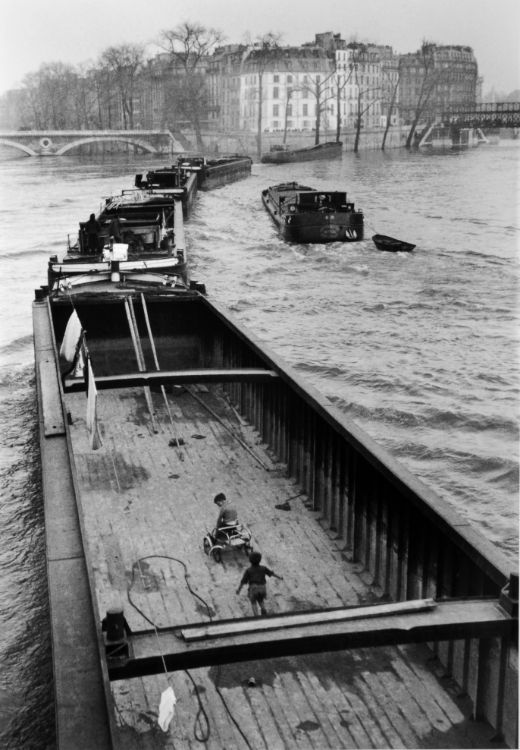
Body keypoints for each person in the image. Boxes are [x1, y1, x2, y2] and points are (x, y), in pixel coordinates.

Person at [236, 551, 283, 616]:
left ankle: (256, 616)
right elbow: (272, 574)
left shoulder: (248, 570)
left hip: (253, 588)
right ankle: (263, 608)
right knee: (260, 599)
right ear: (260, 560)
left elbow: (243, 582)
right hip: (262, 588)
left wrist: (238, 590)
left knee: (253, 601)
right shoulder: (263, 568)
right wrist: (280, 577)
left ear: (250, 560)